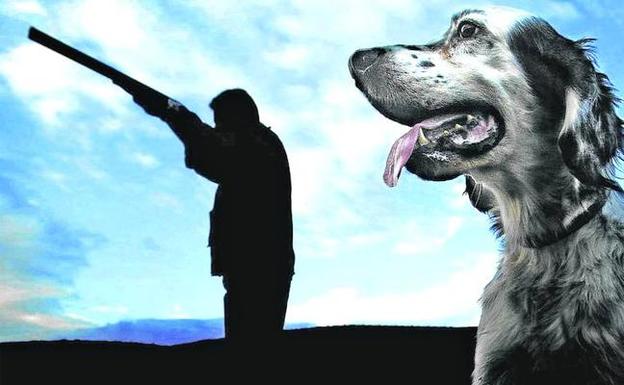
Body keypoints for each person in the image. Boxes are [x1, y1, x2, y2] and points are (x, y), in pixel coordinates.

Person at [131, 88, 295, 343]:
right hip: (255, 264)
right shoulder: (257, 143)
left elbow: (213, 153)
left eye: (222, 123)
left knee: (253, 349)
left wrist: (174, 113)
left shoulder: (258, 144)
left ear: (238, 118)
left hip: (259, 265)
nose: (218, 129)